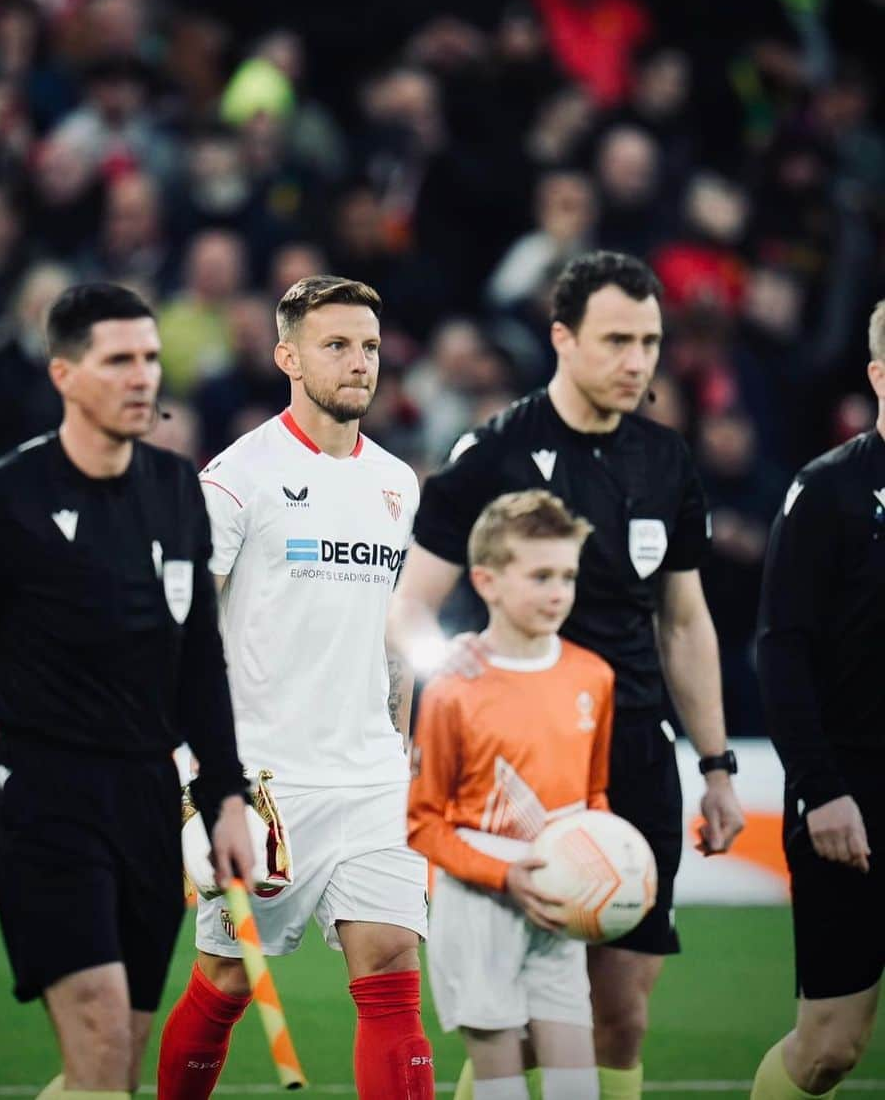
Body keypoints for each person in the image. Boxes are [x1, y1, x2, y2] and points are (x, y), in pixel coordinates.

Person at [0, 283, 254, 1100]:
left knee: (112, 1066)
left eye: (150, 357)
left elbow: (199, 662)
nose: (143, 376)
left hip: (148, 793)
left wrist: (225, 797)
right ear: (65, 374)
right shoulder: (5, 500)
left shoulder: (177, 489)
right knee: (104, 1037)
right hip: (44, 793)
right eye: (119, 360)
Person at [387, 250, 745, 1100]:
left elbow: (684, 621)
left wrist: (718, 765)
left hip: (634, 761)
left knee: (620, 1014)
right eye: (617, 339)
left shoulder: (666, 460)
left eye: (651, 341)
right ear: (562, 338)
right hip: (516, 771)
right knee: (515, 1023)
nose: (638, 361)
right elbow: (410, 606)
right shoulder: (492, 454)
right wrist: (436, 694)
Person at [157, 275, 434, 1099]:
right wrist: (201, 769)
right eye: (337, 345)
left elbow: (396, 632)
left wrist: (403, 744)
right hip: (265, 782)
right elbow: (184, 630)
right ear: (287, 356)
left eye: (371, 347)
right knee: (227, 978)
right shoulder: (237, 477)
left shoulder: (397, 484)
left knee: (391, 967)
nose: (360, 363)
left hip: (372, 774)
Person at [409, 490, 613, 1100]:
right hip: (480, 909)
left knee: (577, 1085)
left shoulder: (592, 676)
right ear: (487, 582)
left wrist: (606, 865)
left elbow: (594, 795)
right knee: (502, 1088)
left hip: (558, 903)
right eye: (541, 575)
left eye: (569, 576)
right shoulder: (453, 689)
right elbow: (422, 823)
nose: (559, 592)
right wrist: (504, 876)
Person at [750, 299, 885, 1099]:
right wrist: (823, 788)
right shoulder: (829, 491)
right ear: (878, 376)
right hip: (853, 795)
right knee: (832, 1045)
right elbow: (781, 648)